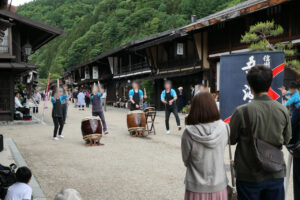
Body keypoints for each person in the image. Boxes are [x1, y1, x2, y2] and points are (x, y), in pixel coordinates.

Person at [230, 65, 291, 200]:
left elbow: (231, 139)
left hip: (248, 174)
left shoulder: (241, 111)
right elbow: (287, 140)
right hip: (275, 171)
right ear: (269, 85)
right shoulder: (283, 110)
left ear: (250, 86)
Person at [182, 92, 228, 200]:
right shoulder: (225, 128)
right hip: (219, 186)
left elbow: (186, 160)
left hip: (195, 187)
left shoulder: (188, 132)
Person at [281, 82, 300, 200]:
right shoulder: (294, 94)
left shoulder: (298, 109)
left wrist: (289, 146)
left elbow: (290, 133)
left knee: (298, 184)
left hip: (299, 154)